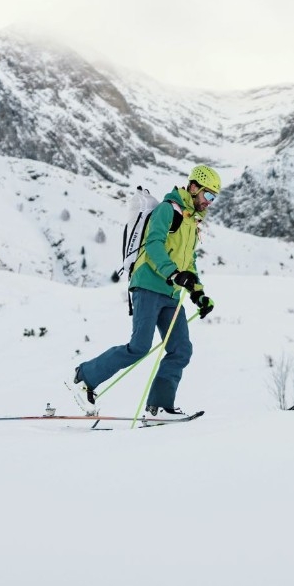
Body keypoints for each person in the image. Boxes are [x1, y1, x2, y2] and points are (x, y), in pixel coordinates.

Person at [73, 165, 220, 415]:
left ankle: (159, 407)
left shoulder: (192, 223)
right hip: (149, 285)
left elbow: (189, 262)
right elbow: (153, 245)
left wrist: (198, 292)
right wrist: (173, 273)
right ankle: (85, 375)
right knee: (139, 347)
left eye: (214, 198)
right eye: (208, 195)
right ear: (194, 187)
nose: (209, 202)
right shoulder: (167, 210)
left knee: (181, 349)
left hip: (172, 294)